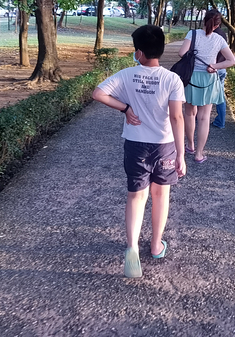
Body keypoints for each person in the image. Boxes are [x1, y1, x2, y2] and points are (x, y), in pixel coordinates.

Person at [92, 25, 186, 279]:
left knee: (136, 196)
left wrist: (124, 108)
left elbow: (98, 94)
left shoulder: (126, 75)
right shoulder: (172, 79)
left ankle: (132, 247)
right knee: (160, 195)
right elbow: (177, 117)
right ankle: (156, 246)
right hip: (164, 145)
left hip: (135, 144)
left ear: (139, 52)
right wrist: (181, 154)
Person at [178, 10, 235, 163]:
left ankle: (189, 146)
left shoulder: (192, 34)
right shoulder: (219, 39)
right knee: (204, 118)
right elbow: (232, 61)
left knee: (189, 114)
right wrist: (215, 65)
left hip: (191, 78)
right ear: (218, 25)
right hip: (209, 79)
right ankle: (199, 154)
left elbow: (182, 52)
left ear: (204, 20)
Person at [212, 27, 229, 129]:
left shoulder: (211, 35)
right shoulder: (223, 34)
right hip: (222, 68)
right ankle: (220, 121)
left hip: (213, 68)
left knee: (204, 94)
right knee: (220, 96)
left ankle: (198, 117)